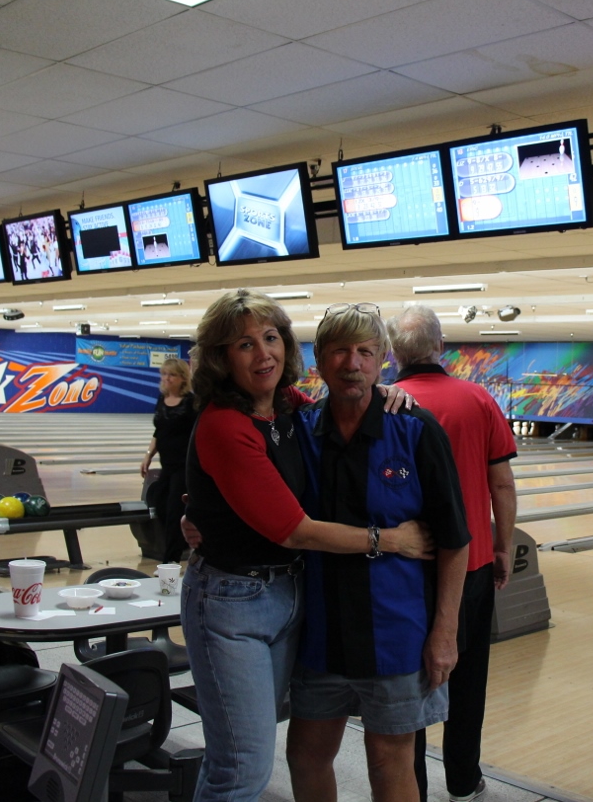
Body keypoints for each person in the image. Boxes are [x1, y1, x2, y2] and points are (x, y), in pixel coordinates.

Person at [182, 289, 432, 802]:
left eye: (270, 338)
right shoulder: (225, 425)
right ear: (221, 357)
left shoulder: (286, 407)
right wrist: (391, 541)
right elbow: (294, 529)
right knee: (242, 767)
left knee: (243, 752)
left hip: (288, 598)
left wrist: (386, 393)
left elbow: (349, 393)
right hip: (233, 603)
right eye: (244, 344)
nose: (264, 352)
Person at [286, 303, 471, 802]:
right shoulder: (297, 431)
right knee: (304, 755)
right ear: (319, 361)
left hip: (396, 636)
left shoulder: (415, 430)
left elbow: (455, 540)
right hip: (320, 636)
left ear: (383, 360)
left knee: (389, 761)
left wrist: (445, 633)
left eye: (365, 352)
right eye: (340, 351)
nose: (353, 363)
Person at [389, 305, 518, 802]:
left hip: (407, 567)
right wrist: (503, 545)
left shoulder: (389, 403)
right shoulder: (478, 398)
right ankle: (464, 779)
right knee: (468, 678)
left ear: (394, 353)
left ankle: (411, 785)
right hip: (476, 563)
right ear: (440, 346)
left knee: (410, 680)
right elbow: (501, 484)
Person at [140, 356, 198, 562]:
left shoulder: (191, 403)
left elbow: (198, 433)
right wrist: (148, 456)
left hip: (185, 466)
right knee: (159, 503)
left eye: (172, 375)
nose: (166, 378)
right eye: (164, 374)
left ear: (183, 378)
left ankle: (170, 561)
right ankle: (181, 545)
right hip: (167, 466)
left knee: (174, 511)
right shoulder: (161, 400)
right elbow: (159, 430)